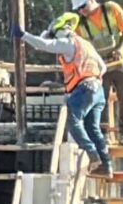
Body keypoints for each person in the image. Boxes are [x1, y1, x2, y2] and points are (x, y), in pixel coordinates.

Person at [17, 16, 112, 172]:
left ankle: (92, 154)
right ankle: (106, 166)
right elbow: (103, 67)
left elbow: (42, 44)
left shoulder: (67, 43)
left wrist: (23, 35)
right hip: (97, 90)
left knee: (73, 122)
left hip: (84, 89)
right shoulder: (85, 44)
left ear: (58, 32)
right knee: (93, 128)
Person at [67, 0, 123, 142]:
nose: (81, 11)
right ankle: (104, 135)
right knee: (100, 101)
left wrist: (119, 48)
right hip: (99, 68)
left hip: (121, 64)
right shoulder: (80, 24)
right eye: (78, 9)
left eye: (83, 6)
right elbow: (77, 45)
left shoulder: (111, 9)